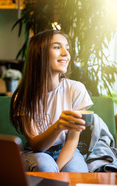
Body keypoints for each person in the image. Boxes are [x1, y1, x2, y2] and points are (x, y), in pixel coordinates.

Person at [10, 29, 93, 172]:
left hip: (66, 149)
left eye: (67, 48)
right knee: (45, 166)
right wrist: (58, 126)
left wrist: (58, 170)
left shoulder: (76, 89)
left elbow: (72, 140)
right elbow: (36, 145)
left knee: (76, 172)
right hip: (35, 152)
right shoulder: (24, 95)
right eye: (57, 47)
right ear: (39, 54)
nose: (66, 54)